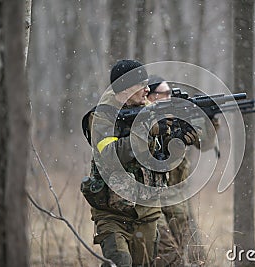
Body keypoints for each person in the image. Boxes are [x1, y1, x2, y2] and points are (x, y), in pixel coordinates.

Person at [83, 60, 199, 267]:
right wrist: (146, 131)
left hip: (147, 212)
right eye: (142, 84)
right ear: (125, 88)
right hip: (112, 213)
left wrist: (178, 140)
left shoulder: (150, 112)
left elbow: (162, 161)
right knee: (121, 262)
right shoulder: (103, 116)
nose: (148, 89)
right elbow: (110, 155)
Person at [147, 75, 219, 266]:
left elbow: (205, 143)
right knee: (165, 252)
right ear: (151, 96)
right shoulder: (145, 121)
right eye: (164, 93)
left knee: (186, 247)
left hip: (176, 193)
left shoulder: (176, 117)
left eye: (171, 93)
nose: (169, 97)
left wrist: (210, 120)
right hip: (153, 196)